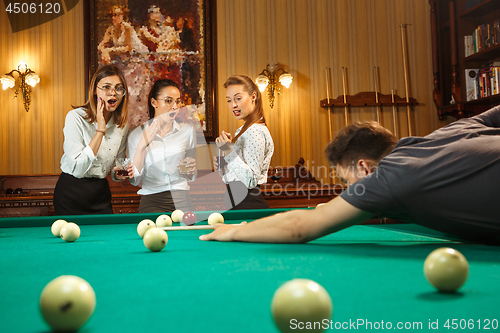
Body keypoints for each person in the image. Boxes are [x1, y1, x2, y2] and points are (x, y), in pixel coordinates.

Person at [201, 105, 500, 245]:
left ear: (364, 169)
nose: (349, 190)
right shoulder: (447, 132)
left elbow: (300, 227)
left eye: (346, 183)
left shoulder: (389, 177)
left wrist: (234, 231)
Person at [53, 65, 132, 215]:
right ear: (95, 90)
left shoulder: (122, 124)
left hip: (100, 193)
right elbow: (78, 169)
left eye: (118, 88)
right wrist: (100, 131)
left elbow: (116, 170)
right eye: (106, 87)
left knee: (104, 238)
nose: (113, 93)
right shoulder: (75, 117)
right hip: (71, 193)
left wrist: (122, 172)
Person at [127, 79, 197, 213]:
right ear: (154, 102)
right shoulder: (135, 135)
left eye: (177, 101)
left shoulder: (188, 131)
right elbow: (135, 180)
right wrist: (142, 145)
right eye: (168, 101)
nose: (175, 107)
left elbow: (191, 174)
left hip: (182, 199)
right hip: (151, 201)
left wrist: (190, 169)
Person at [214, 75, 274, 210]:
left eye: (238, 98)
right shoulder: (243, 130)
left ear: (253, 97)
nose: (233, 105)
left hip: (246, 202)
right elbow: (231, 177)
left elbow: (251, 180)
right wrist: (223, 159)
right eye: (229, 100)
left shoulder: (255, 131)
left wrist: (228, 151)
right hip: (236, 200)